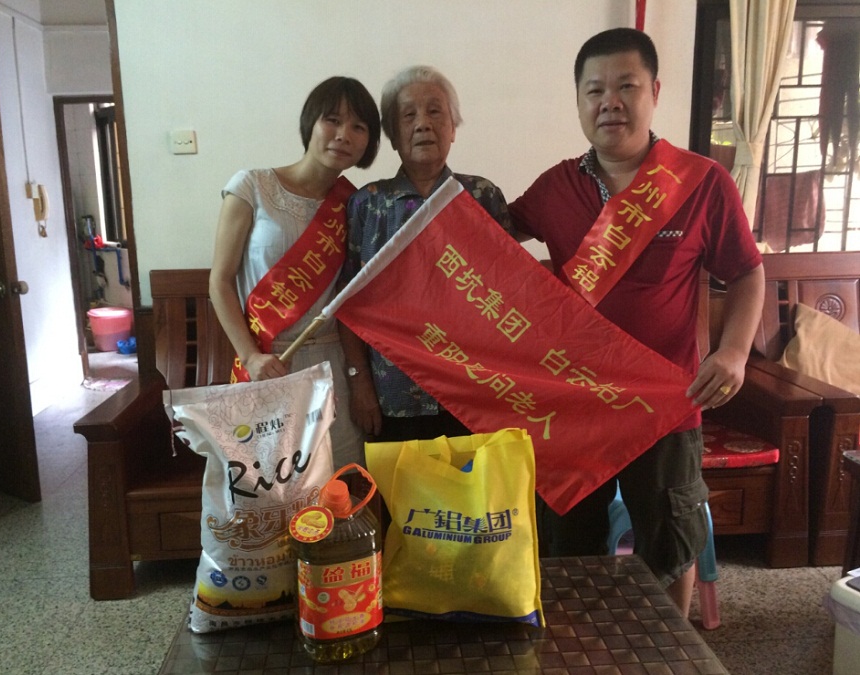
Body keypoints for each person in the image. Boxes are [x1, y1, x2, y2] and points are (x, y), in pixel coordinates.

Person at [509, 28, 765, 615]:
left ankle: (666, 650)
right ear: (579, 100)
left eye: (626, 86)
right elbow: (485, 242)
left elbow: (748, 273)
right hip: (575, 403)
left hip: (665, 402)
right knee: (567, 543)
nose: (610, 102)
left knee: (668, 544)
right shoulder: (555, 187)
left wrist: (733, 353)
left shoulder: (701, 182)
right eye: (594, 90)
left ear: (654, 92)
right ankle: (578, 646)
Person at [209, 76, 381, 469]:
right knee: (268, 480)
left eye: (358, 126)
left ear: (368, 143)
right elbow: (220, 281)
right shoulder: (252, 186)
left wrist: (359, 378)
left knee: (336, 480)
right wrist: (250, 356)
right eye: (332, 120)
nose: (343, 134)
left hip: (331, 365)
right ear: (310, 123)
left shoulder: (355, 205)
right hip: (267, 363)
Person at [338, 65, 515, 443]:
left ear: (453, 128)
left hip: (477, 390)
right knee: (399, 484)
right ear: (392, 134)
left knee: (479, 483)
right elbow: (348, 301)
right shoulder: (368, 204)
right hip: (394, 393)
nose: (422, 124)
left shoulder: (482, 196)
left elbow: (511, 294)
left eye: (435, 111)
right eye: (408, 115)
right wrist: (359, 382)